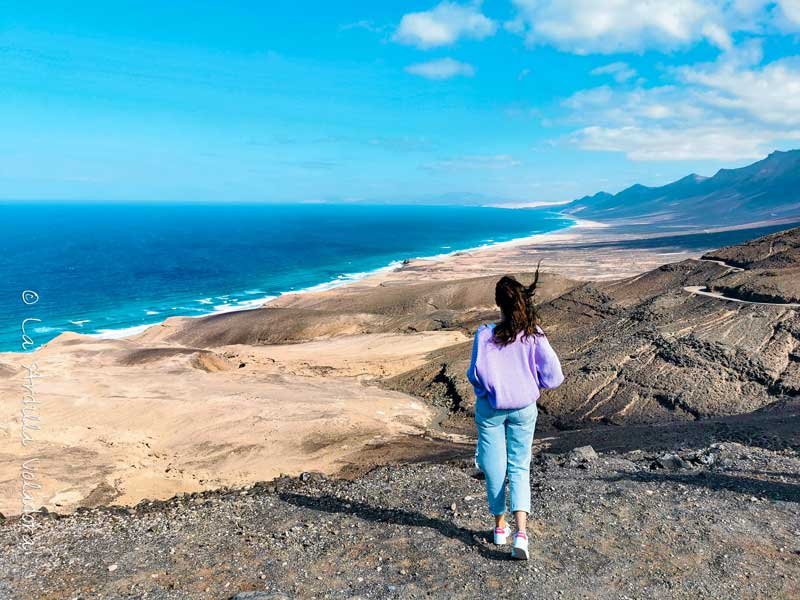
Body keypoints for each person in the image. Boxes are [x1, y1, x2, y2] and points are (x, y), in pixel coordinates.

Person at [467, 274, 564, 560]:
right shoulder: (534, 333)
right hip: (524, 408)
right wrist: (533, 384)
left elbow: (476, 374)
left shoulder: (484, 335)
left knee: (493, 466)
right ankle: (521, 535)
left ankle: (499, 528)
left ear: (498, 303)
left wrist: (491, 390)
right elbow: (554, 375)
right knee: (519, 466)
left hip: (491, 409)